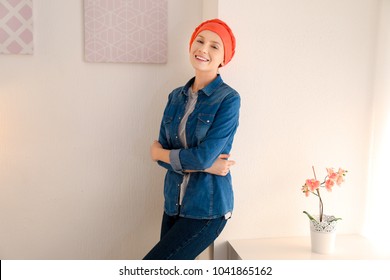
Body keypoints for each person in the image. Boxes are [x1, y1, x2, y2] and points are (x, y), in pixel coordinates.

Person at [143, 19, 240, 260]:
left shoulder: (228, 99)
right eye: (199, 40)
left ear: (223, 59)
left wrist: (161, 154)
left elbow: (192, 155)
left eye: (215, 46)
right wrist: (207, 165)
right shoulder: (175, 97)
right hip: (172, 204)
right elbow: (168, 155)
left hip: (207, 209)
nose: (203, 49)